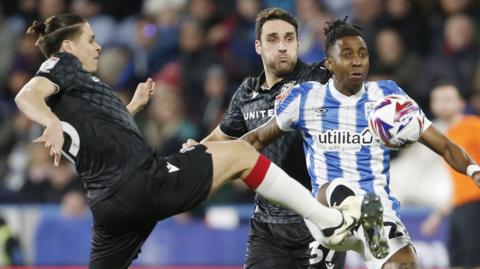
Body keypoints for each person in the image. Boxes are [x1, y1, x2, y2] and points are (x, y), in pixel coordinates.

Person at [14, 14, 360, 269]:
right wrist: (49, 122)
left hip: (108, 207)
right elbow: (27, 95)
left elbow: (102, 134)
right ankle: (328, 220)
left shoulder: (79, 92)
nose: (98, 44)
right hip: (142, 183)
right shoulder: (63, 65)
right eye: (90, 39)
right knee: (241, 153)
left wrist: (131, 107)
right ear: (67, 46)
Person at [239, 17, 480, 268]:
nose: (357, 61)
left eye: (363, 54)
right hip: (328, 216)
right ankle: (354, 211)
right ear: (329, 63)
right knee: (335, 189)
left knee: (406, 263)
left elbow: (443, 145)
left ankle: (373, 231)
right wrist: (213, 154)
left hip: (377, 210)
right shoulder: (307, 97)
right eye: (347, 54)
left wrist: (473, 170)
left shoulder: (388, 97)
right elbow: (256, 138)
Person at [184, 7, 346, 268]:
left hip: (319, 222)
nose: (282, 46)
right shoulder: (247, 92)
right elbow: (220, 138)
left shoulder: (318, 79)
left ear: (298, 42)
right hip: (267, 228)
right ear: (258, 46)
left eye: (289, 38)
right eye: (273, 39)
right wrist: (196, 152)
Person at [421, 82, 480, 268]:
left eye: (448, 99)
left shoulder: (472, 126)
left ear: (461, 103)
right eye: (437, 100)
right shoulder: (446, 136)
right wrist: (438, 215)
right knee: (456, 262)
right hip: (460, 207)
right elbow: (459, 182)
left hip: (475, 203)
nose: (442, 104)